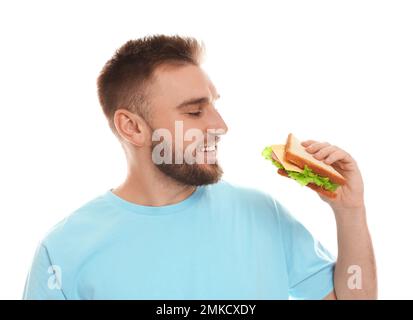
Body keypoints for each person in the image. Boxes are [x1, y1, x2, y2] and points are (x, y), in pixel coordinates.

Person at [23, 35, 376, 300]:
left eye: (213, 106)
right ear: (132, 127)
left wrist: (350, 212)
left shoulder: (261, 213)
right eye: (194, 112)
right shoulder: (64, 251)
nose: (220, 126)